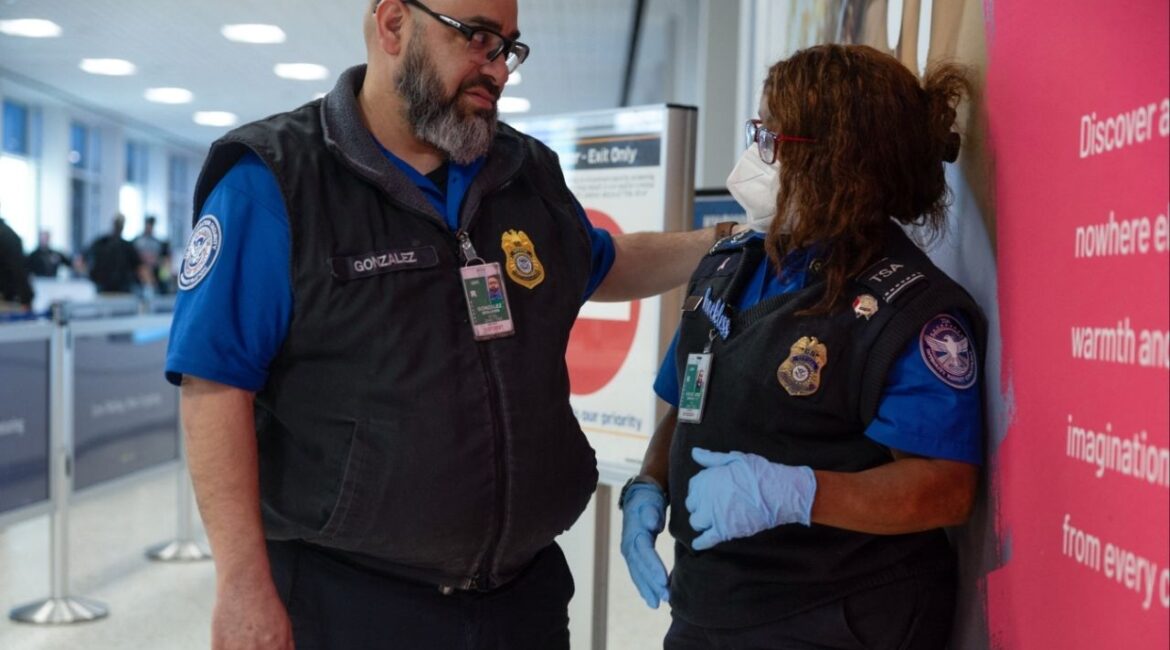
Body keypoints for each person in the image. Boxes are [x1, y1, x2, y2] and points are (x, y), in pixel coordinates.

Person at [164, 1, 737, 648]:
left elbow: (603, 264)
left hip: (523, 598)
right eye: (478, 39)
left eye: (509, 48)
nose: (497, 69)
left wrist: (729, 242)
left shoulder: (523, 172)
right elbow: (213, 387)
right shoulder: (276, 182)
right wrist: (241, 584)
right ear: (392, 25)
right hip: (350, 604)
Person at [619, 44, 987, 649]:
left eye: (771, 138)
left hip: (835, 616)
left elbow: (944, 489)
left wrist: (794, 492)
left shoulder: (908, 308)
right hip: (708, 607)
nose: (753, 157)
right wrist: (648, 486)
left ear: (835, 163)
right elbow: (689, 400)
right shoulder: (730, 265)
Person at [84, 213, 143, 294]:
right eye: (117, 224)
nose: (119, 227)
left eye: (120, 224)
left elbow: (138, 266)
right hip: (103, 286)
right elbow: (84, 258)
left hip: (122, 288)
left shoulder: (127, 246)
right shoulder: (101, 243)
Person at [0, 205, 33, 311]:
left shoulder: (6, 236)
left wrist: (25, 298)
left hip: (6, 300)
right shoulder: (8, 235)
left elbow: (17, 269)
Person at [133, 215, 170, 293]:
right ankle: (149, 289)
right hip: (141, 267)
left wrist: (156, 260)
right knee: (144, 270)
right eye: (148, 224)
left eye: (151, 225)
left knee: (165, 267)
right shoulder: (137, 241)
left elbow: (162, 257)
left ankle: (164, 288)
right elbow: (134, 257)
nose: (149, 227)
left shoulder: (158, 242)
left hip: (156, 267)